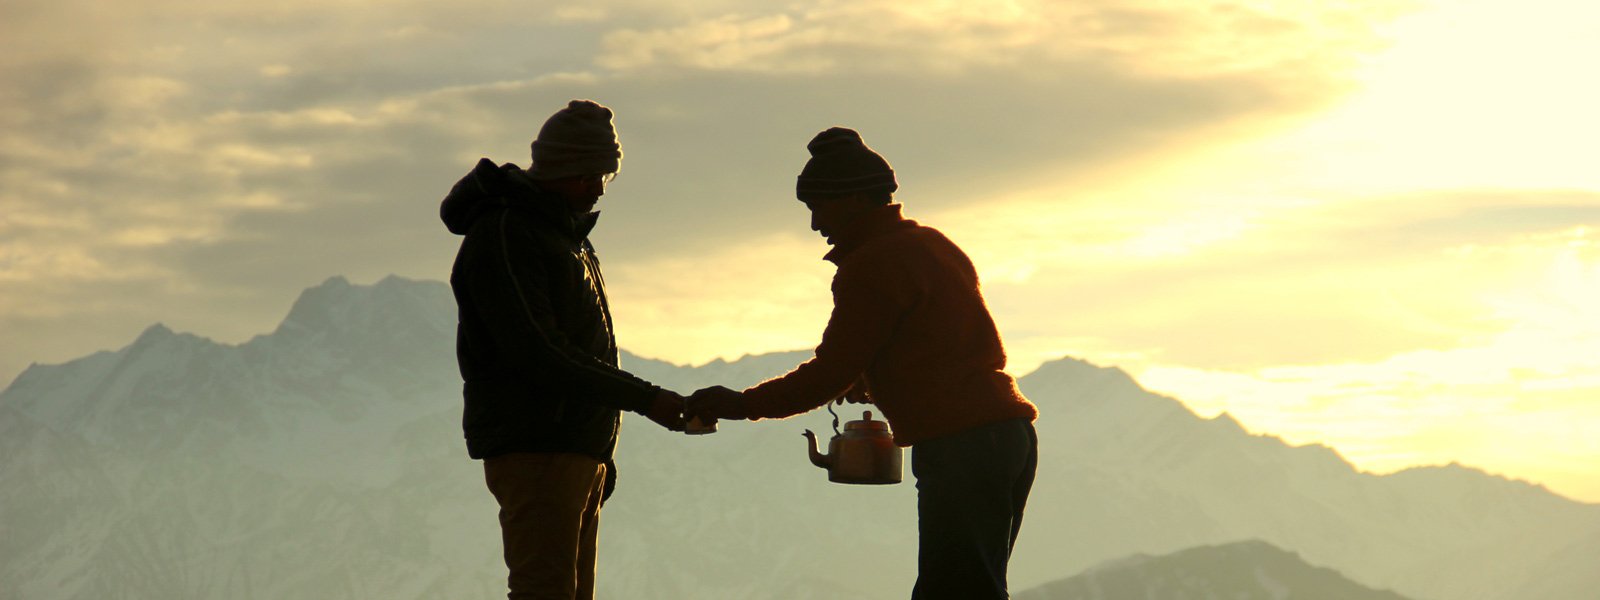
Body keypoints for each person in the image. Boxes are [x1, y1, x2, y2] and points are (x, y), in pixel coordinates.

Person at [689, 127, 1040, 600]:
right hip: (1007, 435)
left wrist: (741, 404)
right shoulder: (931, 244)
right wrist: (877, 379)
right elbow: (942, 346)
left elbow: (828, 371)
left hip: (962, 445)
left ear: (853, 199)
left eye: (819, 207)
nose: (815, 224)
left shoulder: (874, 264)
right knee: (975, 585)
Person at [439, 99, 686, 600]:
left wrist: (599, 449)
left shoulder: (562, 236)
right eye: (590, 175)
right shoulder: (508, 234)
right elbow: (540, 351)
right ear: (561, 168)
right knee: (544, 591)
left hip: (572, 449)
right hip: (539, 447)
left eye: (606, 176)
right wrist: (647, 399)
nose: (598, 189)